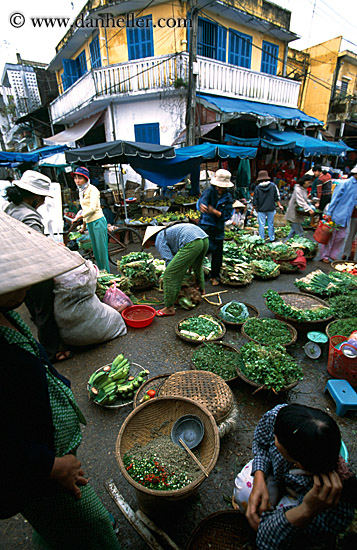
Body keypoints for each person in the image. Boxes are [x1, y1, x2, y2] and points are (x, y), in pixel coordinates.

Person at [0, 212, 120, 549]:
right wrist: (50, 467)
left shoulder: (6, 312)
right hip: (38, 470)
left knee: (59, 524)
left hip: (52, 452)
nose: (26, 283)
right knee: (95, 527)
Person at [233, 403, 356, 550]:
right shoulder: (282, 418)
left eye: (276, 438)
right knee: (245, 492)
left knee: (285, 538)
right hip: (278, 477)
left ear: (298, 463)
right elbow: (262, 444)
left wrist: (307, 509)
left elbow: (266, 543)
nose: (273, 435)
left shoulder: (328, 500)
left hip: (301, 503)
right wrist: (259, 476)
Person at [4, 170, 71, 363]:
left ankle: (42, 343)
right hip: (34, 271)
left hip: (15, 269)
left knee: (34, 308)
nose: (42, 202)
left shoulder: (10, 208)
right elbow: (37, 248)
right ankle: (51, 353)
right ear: (34, 197)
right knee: (45, 311)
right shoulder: (30, 218)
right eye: (42, 198)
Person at [142, 222, 209, 316]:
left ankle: (169, 308)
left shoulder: (159, 238)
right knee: (197, 266)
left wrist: (171, 273)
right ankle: (202, 290)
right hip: (203, 237)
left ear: (150, 240)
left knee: (169, 275)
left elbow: (169, 260)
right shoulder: (168, 232)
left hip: (191, 241)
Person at [197, 169, 234, 286]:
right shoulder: (209, 191)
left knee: (217, 254)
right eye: (218, 186)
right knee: (201, 251)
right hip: (205, 226)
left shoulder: (228, 197)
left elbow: (227, 215)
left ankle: (215, 276)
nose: (220, 189)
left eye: (222, 187)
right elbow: (202, 201)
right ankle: (197, 275)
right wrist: (201, 206)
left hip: (218, 229)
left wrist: (215, 212)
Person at [72, 167, 110, 272]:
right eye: (75, 178)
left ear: (86, 178)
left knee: (102, 252)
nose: (77, 180)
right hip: (90, 223)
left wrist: (79, 217)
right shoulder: (81, 191)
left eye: (80, 178)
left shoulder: (92, 189)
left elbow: (92, 209)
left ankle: (108, 276)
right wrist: (83, 227)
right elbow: (85, 210)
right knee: (96, 252)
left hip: (98, 221)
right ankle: (101, 274)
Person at [319, 168, 357, 263]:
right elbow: (334, 199)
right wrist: (329, 213)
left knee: (341, 237)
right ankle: (325, 255)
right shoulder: (344, 184)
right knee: (330, 236)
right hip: (337, 213)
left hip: (346, 216)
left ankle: (333, 254)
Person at [253, 170, 284, 243]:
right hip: (271, 208)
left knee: (261, 225)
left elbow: (255, 200)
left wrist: (252, 209)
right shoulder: (273, 186)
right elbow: (276, 197)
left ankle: (261, 239)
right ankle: (272, 238)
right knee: (271, 224)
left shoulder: (257, 188)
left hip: (261, 209)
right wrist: (279, 205)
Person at [284, 175, 315, 240]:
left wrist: (310, 201)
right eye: (308, 182)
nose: (309, 184)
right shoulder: (298, 189)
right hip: (294, 212)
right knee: (299, 232)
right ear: (304, 181)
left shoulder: (303, 189)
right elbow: (300, 201)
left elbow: (303, 199)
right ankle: (302, 243)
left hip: (298, 212)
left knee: (293, 231)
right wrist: (309, 209)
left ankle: (285, 242)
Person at [341, 166, 357, 261]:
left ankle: (352, 255)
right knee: (351, 235)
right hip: (354, 214)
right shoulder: (350, 184)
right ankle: (346, 253)